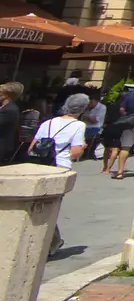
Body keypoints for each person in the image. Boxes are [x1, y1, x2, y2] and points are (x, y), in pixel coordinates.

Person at [30, 93, 88, 254]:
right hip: (60, 166)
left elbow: (32, 147)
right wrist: (82, 147)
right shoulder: (78, 126)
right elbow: (75, 153)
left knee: (41, 204)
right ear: (82, 109)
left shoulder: (48, 122)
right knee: (53, 206)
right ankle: (52, 242)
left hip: (40, 166)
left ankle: (52, 241)